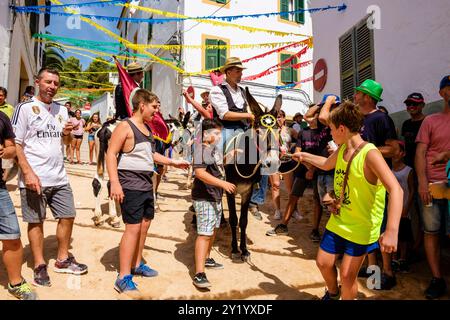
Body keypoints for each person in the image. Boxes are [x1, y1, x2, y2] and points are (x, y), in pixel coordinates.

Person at [292, 101, 403, 300]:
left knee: (347, 275)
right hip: (341, 218)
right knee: (323, 262)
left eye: (332, 129)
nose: (330, 133)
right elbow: (326, 164)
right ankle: (333, 293)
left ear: (342, 129)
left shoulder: (370, 154)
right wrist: (304, 156)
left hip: (362, 226)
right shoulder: (342, 149)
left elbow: (396, 189)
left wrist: (392, 230)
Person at [106, 89, 189, 295]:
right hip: (130, 184)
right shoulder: (125, 126)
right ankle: (123, 277)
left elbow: (150, 154)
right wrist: (115, 183)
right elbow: (110, 154)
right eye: (154, 106)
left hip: (146, 183)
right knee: (132, 229)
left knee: (144, 226)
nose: (157, 111)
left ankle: (136, 264)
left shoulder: (147, 128)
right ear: (142, 105)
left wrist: (173, 162)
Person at [12, 67, 88, 287]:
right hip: (34, 177)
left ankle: (62, 259)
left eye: (55, 83)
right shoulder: (24, 108)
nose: (52, 87)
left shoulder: (62, 110)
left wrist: (66, 134)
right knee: (36, 221)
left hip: (59, 177)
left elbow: (64, 144)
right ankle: (39, 264)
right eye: (48, 82)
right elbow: (16, 143)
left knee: (68, 215)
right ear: (38, 82)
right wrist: (27, 172)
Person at [352, 79, 398, 289]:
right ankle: (374, 271)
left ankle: (387, 272)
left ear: (367, 97)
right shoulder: (358, 119)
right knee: (368, 225)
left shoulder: (382, 119)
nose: (355, 95)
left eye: (359, 93)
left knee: (380, 225)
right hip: (362, 182)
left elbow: (393, 149)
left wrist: (367, 153)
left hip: (378, 182)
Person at [415, 75, 450, 299]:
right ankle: (437, 278)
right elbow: (420, 153)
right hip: (432, 184)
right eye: (448, 88)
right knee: (431, 232)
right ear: (441, 93)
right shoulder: (431, 120)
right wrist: (421, 183)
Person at [191, 119, 235, 288]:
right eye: (216, 133)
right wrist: (222, 184)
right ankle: (199, 273)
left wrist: (228, 157)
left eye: (219, 133)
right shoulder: (202, 149)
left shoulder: (213, 150)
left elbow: (216, 166)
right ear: (205, 134)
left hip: (214, 196)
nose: (219, 136)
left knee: (213, 229)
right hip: (205, 197)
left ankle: (207, 258)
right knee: (204, 233)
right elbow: (200, 173)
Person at [0, 111, 37, 300]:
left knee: (12, 235)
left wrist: (7, 152)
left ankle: (16, 283)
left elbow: (11, 149)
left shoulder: (2, 118)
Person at [390, 140, 414, 273]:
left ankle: (403, 259)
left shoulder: (408, 170)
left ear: (403, 153)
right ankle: (393, 258)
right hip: (392, 209)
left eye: (396, 151)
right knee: (394, 233)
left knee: (404, 235)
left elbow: (412, 190)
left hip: (404, 209)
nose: (394, 154)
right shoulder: (388, 170)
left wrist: (406, 208)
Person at [401, 92, 426, 169]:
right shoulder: (406, 124)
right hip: (409, 166)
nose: (411, 106)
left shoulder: (428, 122)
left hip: (425, 164)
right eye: (408, 104)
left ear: (423, 105)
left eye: (414, 104)